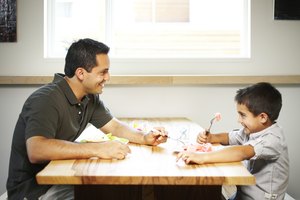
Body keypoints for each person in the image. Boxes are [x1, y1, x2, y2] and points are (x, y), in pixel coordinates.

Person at [6, 38, 168, 200]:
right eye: (102, 72)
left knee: (121, 190)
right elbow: (37, 149)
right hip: (33, 190)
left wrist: (145, 137)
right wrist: (98, 149)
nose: (108, 77)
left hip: (61, 179)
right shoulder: (46, 98)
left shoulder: (89, 97)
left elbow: (114, 127)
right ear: (81, 73)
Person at [177, 82, 289, 200]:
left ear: (262, 117)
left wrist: (202, 157)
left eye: (243, 115)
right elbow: (229, 137)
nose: (239, 120)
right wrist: (211, 137)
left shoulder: (273, 139)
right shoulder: (251, 130)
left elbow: (242, 152)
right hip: (243, 194)